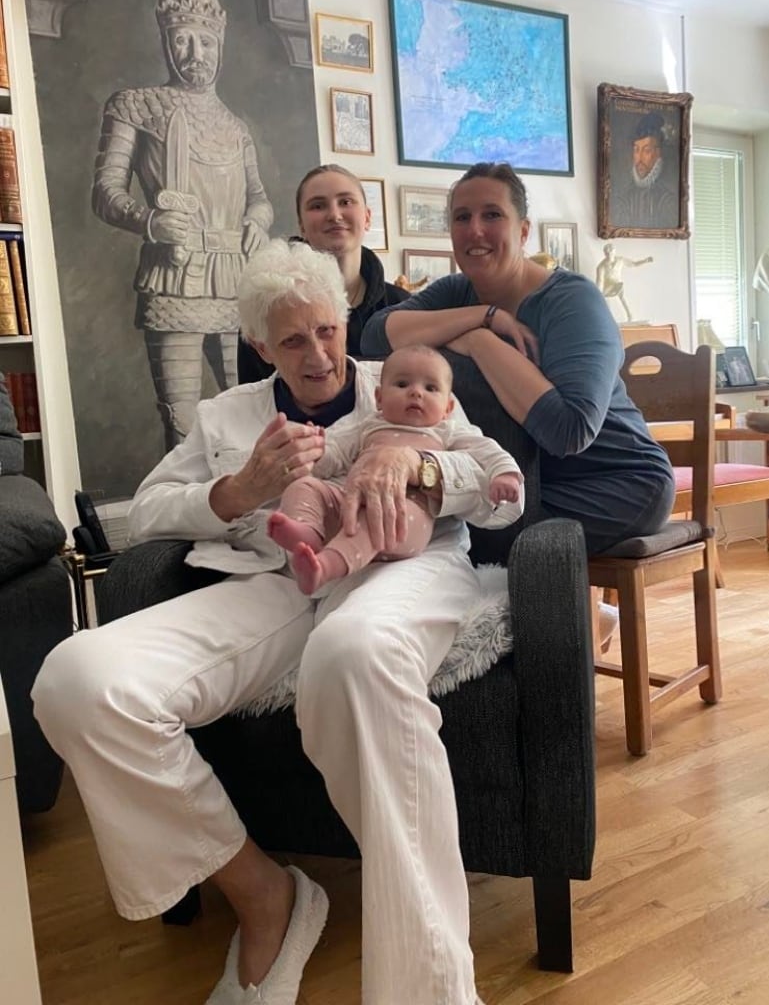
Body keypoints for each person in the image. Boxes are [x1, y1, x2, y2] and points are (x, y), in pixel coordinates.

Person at [33, 238, 513, 1005]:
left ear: (345, 318)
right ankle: (264, 897)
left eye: (326, 329)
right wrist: (236, 490)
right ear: (260, 345)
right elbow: (150, 510)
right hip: (272, 580)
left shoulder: (404, 384)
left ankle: (431, 991)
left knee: (351, 653)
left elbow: (498, 486)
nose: (317, 353)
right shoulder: (227, 413)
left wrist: (418, 467)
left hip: (400, 567)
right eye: (292, 339)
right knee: (75, 681)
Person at [360, 161, 676, 561]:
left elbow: (570, 431)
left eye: (492, 215)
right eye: (462, 217)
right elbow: (376, 336)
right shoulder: (458, 292)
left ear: (523, 230)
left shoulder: (573, 301)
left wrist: (479, 343)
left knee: (460, 531)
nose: (475, 229)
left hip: (616, 483)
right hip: (529, 478)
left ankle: (558, 618)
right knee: (443, 521)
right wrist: (482, 316)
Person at [92, 0, 274, 452]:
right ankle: (186, 513)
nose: (196, 54)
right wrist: (150, 221)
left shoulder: (236, 127)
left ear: (221, 44)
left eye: (206, 42)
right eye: (183, 40)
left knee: (252, 408)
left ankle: (247, 507)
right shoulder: (136, 106)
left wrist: (258, 219)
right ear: (166, 43)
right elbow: (107, 190)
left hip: (234, 278)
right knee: (182, 419)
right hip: (175, 276)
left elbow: (258, 194)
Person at [269, 343, 523, 594]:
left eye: (430, 388)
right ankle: (308, 532)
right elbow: (333, 455)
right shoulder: (368, 426)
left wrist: (505, 475)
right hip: (350, 503)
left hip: (405, 516)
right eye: (402, 384)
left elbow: (489, 451)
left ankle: (326, 566)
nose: (416, 393)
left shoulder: (448, 432)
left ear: (448, 408)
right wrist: (312, 448)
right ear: (378, 398)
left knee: (374, 520)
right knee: (304, 486)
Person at [238, 164, 408, 382]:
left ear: (367, 217)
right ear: (301, 225)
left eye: (346, 202)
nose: (334, 215)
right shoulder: (266, 306)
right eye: (318, 206)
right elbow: (255, 402)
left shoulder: (403, 307)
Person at [610, 111, 679, 230]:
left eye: (646, 151)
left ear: (658, 154)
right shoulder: (623, 200)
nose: (639, 158)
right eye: (636, 150)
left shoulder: (668, 201)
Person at [595, 242, 653, 322]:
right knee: (606, 301)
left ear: (614, 252)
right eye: (607, 253)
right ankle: (608, 318)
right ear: (605, 254)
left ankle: (630, 315)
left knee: (622, 295)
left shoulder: (620, 260)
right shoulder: (601, 266)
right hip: (608, 288)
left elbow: (633, 264)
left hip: (618, 284)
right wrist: (598, 294)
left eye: (611, 252)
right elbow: (600, 281)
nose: (609, 255)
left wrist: (645, 261)